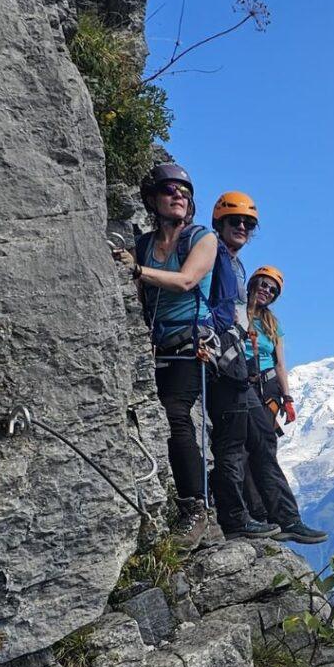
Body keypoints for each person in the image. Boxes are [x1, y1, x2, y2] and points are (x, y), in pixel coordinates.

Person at [120, 164, 268, 547]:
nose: (179, 196)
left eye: (185, 191)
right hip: (159, 344)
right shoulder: (145, 245)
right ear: (152, 199)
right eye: (170, 189)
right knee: (167, 417)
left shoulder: (201, 238)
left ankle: (196, 509)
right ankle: (202, 510)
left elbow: (187, 282)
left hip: (192, 342)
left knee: (175, 414)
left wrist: (137, 270)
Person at [243, 265, 326, 543]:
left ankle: (278, 517)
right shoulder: (236, 312)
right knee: (245, 452)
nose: (266, 291)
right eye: (263, 284)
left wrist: (287, 397)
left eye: (272, 289)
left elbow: (280, 363)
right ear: (253, 283)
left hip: (266, 388)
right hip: (240, 381)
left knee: (264, 450)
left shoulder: (271, 324)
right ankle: (263, 515)